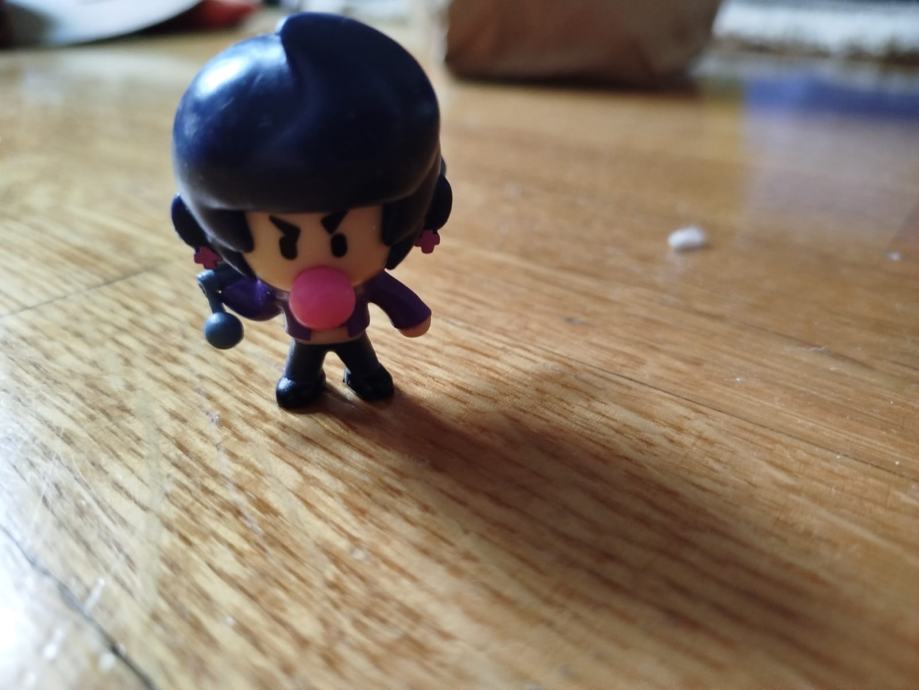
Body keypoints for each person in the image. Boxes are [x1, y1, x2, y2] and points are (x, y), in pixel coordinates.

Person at [171, 12, 452, 409]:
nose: (319, 268)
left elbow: (392, 295)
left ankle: (365, 373)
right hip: (303, 335)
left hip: (352, 330)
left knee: (359, 355)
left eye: (340, 243)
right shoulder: (274, 286)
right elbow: (258, 304)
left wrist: (411, 315)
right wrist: (221, 290)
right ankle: (303, 378)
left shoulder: (366, 280)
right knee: (304, 362)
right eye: (285, 245)